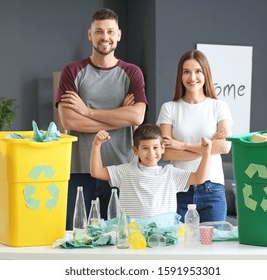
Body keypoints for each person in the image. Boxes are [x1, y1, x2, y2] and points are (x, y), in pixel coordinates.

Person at [55, 8, 148, 229]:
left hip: (120, 171)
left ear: (119, 35)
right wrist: (119, 116)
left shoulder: (132, 72)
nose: (104, 37)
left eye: (109, 31)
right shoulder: (72, 71)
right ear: (90, 34)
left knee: (118, 240)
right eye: (98, 31)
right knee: (76, 238)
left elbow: (137, 116)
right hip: (79, 171)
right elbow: (69, 121)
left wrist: (87, 112)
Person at [156, 49, 232, 223]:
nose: (192, 77)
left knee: (213, 247)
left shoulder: (218, 107)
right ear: (180, 76)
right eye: (186, 72)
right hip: (180, 188)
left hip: (212, 189)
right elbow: (166, 153)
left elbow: (225, 147)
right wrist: (207, 148)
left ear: (206, 73)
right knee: (179, 246)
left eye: (198, 71)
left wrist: (182, 145)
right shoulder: (169, 108)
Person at [90, 124, 212, 218]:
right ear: (135, 150)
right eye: (145, 148)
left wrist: (206, 153)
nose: (151, 153)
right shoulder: (126, 171)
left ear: (162, 148)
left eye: (155, 148)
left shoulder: (170, 173)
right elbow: (97, 172)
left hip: (163, 237)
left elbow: (199, 178)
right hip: (133, 237)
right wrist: (96, 145)